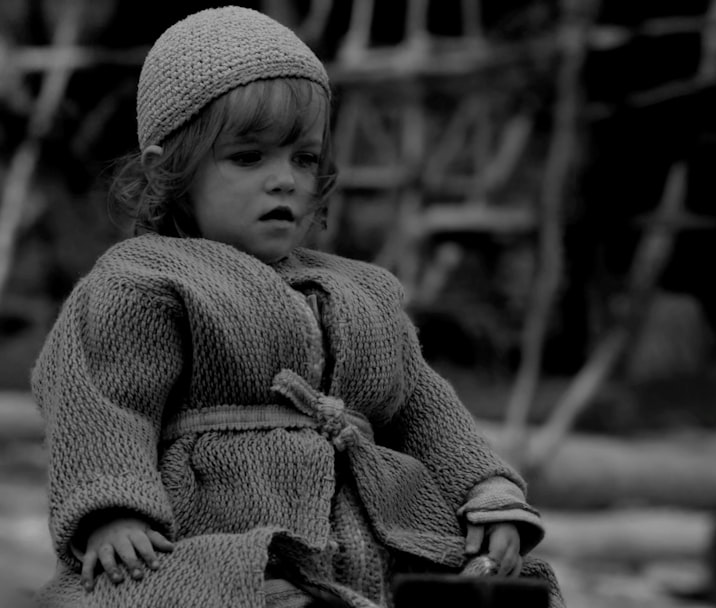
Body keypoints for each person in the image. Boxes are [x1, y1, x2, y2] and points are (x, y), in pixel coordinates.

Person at [31, 7, 561, 608]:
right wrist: (112, 510)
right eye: (248, 156)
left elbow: (423, 407)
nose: (285, 180)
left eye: (304, 158)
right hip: (225, 541)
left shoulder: (366, 290)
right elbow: (102, 402)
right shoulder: (144, 279)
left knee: (502, 589)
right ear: (168, 170)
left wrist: (486, 489)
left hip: (379, 535)